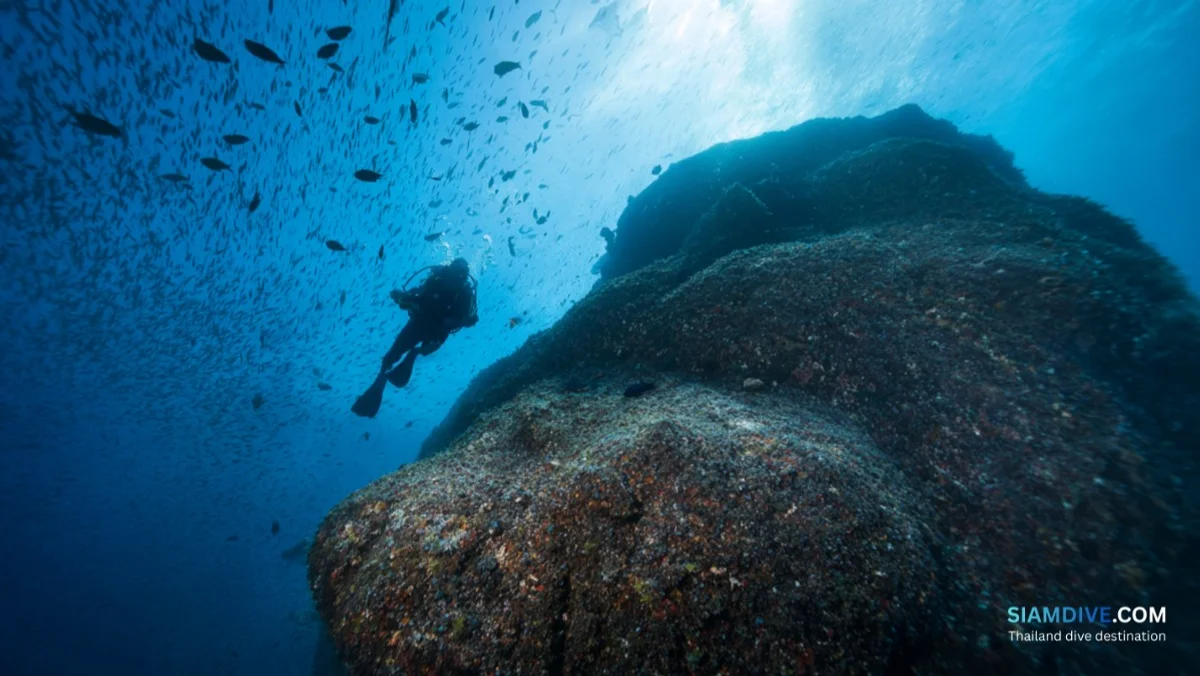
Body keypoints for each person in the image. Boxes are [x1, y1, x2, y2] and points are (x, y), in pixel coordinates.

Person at [352, 258, 478, 418]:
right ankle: (379, 384)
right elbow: (419, 294)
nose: (456, 278)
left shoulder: (465, 294)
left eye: (461, 274)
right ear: (450, 269)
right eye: (455, 272)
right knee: (390, 357)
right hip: (419, 322)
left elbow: (464, 319)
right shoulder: (436, 279)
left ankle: (414, 353)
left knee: (421, 350)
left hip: (438, 331)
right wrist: (403, 296)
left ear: (465, 276)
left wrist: (468, 321)